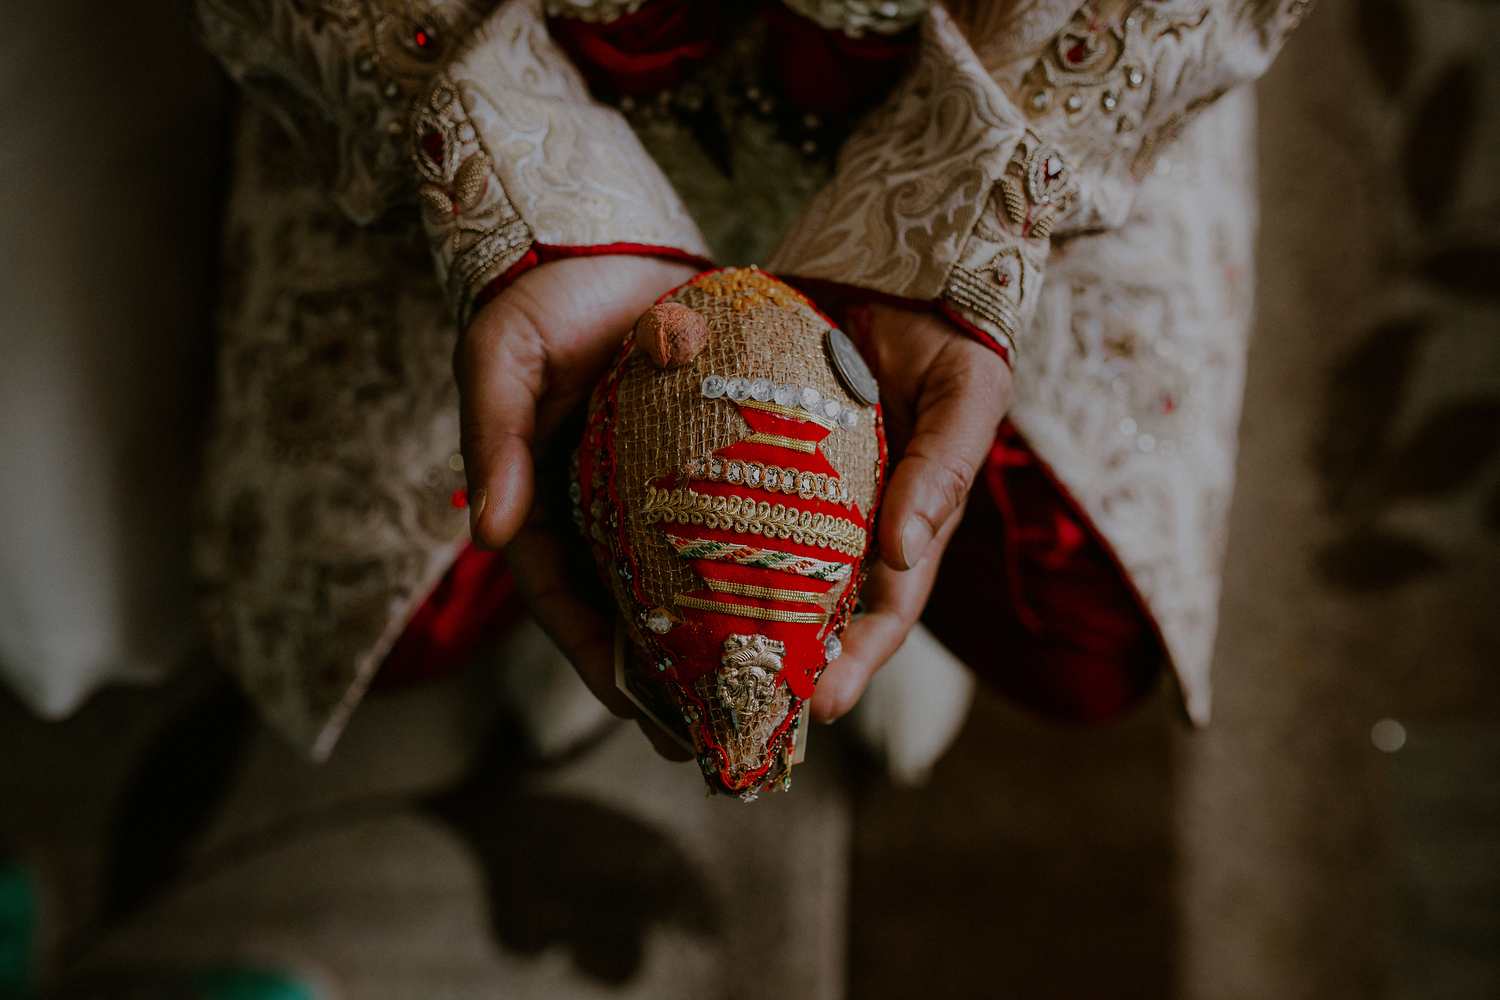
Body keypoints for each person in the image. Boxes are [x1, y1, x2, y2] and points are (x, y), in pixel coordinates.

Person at [191, 0, 1309, 763]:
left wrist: (967, 207)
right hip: (497, 78)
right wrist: (514, 197)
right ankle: (621, 516)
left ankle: (849, 523)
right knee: (367, 603)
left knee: (1083, 638)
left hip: (997, 91)